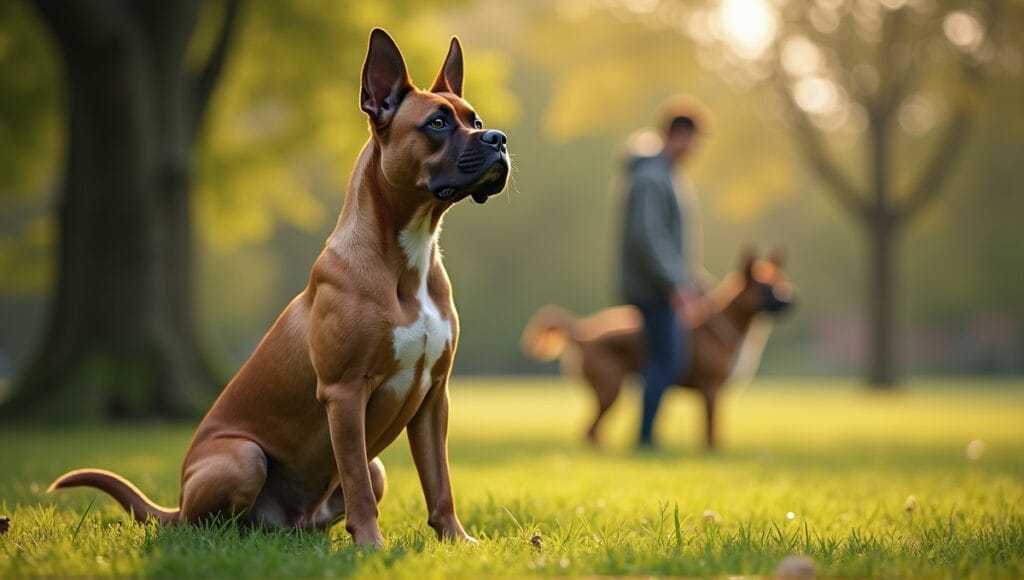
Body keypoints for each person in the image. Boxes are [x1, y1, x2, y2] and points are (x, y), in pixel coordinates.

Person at [618, 97, 707, 448]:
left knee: (665, 359)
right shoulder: (652, 177)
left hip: (659, 285)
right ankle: (645, 437)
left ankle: (646, 434)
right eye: (696, 138)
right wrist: (677, 283)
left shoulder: (664, 174)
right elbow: (647, 237)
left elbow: (664, 240)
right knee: (668, 359)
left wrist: (695, 281)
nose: (697, 148)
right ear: (680, 134)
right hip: (652, 288)